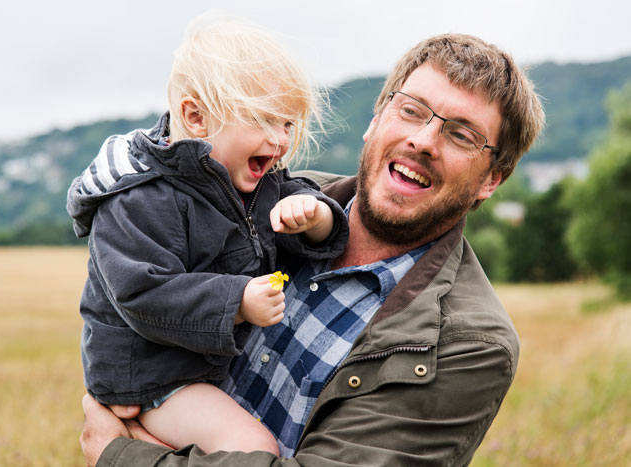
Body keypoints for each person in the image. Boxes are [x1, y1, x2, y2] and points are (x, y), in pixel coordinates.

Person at [80, 32, 545, 466]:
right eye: (411, 110)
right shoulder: (265, 195)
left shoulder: (470, 346)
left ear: (491, 180)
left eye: (461, 134)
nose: (423, 140)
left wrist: (118, 454)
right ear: (376, 119)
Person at [66, 13, 349, 456]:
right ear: (195, 117)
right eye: (263, 120)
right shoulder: (140, 196)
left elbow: (287, 223)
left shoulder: (254, 178)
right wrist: (236, 301)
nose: (280, 140)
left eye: (288, 125)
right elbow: (144, 294)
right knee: (253, 448)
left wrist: (316, 218)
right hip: (152, 374)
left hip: (200, 361)